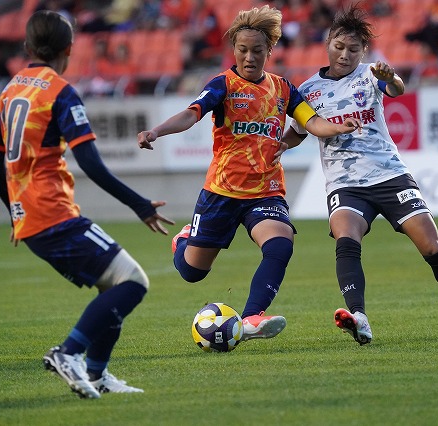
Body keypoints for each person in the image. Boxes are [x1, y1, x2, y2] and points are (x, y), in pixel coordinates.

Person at [137, 5, 361, 343]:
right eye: (243, 50)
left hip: (266, 189)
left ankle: (252, 317)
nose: (249, 57)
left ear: (270, 50)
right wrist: (156, 132)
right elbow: (190, 114)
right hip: (222, 191)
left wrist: (337, 127)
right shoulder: (223, 85)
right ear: (234, 50)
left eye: (257, 50)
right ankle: (183, 240)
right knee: (192, 272)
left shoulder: (283, 89)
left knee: (280, 244)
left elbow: (311, 122)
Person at [0, 10, 174, 399]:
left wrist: (14, 214)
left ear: (27, 47)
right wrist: (139, 204)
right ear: (70, 49)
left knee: (111, 286)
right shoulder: (60, 92)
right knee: (133, 282)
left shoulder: (11, 89)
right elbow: (90, 163)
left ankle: (97, 374)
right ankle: (68, 353)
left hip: (32, 217)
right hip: (53, 214)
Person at [280, 5, 438, 344]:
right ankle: (358, 316)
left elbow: (396, 88)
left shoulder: (371, 74)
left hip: (389, 175)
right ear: (328, 44)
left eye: (353, 49)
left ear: (363, 51)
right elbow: (300, 130)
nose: (345, 55)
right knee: (346, 237)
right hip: (345, 183)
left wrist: (391, 78)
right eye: (339, 47)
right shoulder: (309, 90)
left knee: (432, 246)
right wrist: (280, 146)